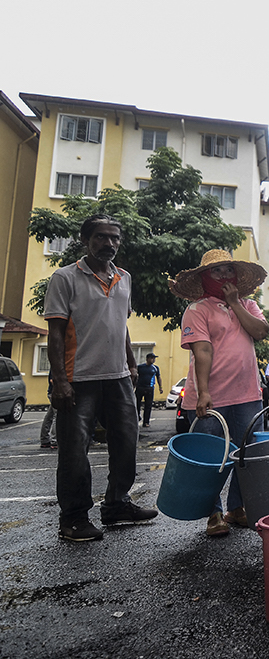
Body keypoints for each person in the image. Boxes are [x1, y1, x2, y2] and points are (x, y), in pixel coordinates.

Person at [44, 214, 158, 542]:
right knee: (74, 451)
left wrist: (132, 365)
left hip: (119, 377)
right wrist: (60, 380)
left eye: (114, 238)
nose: (108, 243)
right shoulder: (65, 277)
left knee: (126, 443)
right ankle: (74, 518)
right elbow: (55, 334)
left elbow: (120, 325)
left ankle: (117, 505)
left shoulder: (124, 277)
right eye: (100, 237)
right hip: (78, 379)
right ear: (85, 240)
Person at [170, 249, 268, 537]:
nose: (224, 276)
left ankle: (236, 509)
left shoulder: (248, 305)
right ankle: (213, 513)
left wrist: (235, 303)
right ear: (204, 276)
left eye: (228, 270)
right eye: (217, 271)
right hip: (210, 397)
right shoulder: (197, 309)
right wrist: (202, 393)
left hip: (248, 394)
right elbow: (202, 350)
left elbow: (260, 332)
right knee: (210, 459)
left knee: (246, 454)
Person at [134, 353, 163, 428]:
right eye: (152, 358)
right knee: (137, 404)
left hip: (150, 389)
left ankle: (146, 422)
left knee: (148, 406)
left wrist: (160, 387)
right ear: (147, 359)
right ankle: (137, 418)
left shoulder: (155, 368)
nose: (153, 360)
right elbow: (135, 376)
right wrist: (133, 385)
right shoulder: (140, 367)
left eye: (154, 358)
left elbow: (158, 377)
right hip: (140, 388)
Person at [39, 374, 57, 450]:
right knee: (57, 416)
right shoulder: (58, 364)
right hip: (56, 393)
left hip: (53, 392)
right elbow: (52, 380)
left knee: (50, 415)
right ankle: (54, 441)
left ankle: (44, 439)